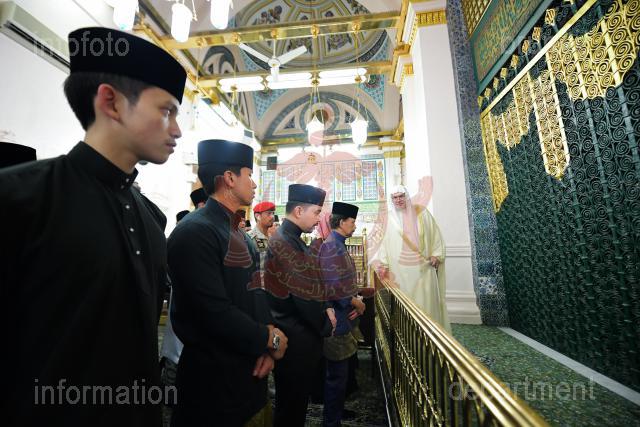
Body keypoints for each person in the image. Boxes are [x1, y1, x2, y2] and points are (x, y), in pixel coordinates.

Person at [0, 27, 186, 426]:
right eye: (166, 111)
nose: (176, 129)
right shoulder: (21, 198)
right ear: (111, 102)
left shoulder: (151, 219)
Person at [168, 139, 288, 426]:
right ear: (230, 178)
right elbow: (212, 312)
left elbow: (254, 294)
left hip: (248, 373)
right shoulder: (195, 232)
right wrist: (269, 339)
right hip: (213, 385)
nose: (254, 184)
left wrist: (267, 346)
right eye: (250, 175)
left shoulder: (236, 231)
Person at [264, 184, 337, 427]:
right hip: (295, 339)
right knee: (290, 410)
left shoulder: (291, 239)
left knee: (294, 406)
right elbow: (304, 297)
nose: (318, 219)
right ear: (298, 211)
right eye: (316, 212)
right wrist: (326, 323)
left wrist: (326, 305)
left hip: (297, 336)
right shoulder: (286, 243)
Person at [371, 185, 451, 332]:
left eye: (401, 196)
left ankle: (429, 336)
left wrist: (436, 254)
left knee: (425, 304)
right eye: (395, 197)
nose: (398, 200)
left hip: (423, 271)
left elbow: (435, 234)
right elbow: (383, 244)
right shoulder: (388, 219)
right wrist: (383, 264)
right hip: (399, 272)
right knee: (404, 306)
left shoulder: (422, 213)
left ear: (407, 196)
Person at [247, 201, 276, 286]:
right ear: (258, 216)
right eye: (268, 213)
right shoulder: (249, 238)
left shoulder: (273, 238)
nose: (272, 217)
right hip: (259, 288)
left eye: (273, 213)